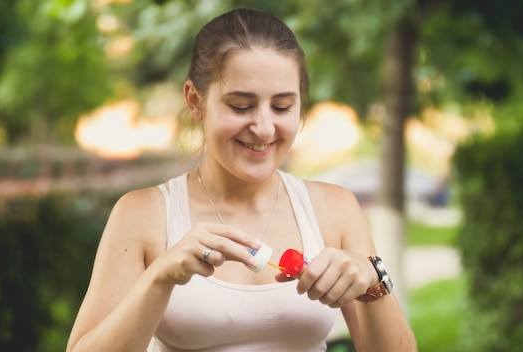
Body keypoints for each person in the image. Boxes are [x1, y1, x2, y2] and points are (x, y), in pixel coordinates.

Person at [66, 8, 416, 352]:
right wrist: (161, 277)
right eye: (241, 106)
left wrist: (373, 280)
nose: (264, 128)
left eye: (281, 107)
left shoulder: (334, 209)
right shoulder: (142, 215)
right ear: (194, 100)